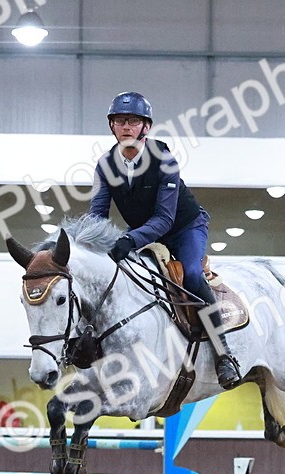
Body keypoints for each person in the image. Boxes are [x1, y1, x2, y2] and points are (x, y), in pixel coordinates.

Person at [88, 91, 241, 390]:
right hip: (145, 233)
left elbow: (164, 219)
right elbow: (97, 215)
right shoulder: (105, 166)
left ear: (145, 127)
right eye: (119, 121)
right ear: (112, 127)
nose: (126, 127)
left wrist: (129, 240)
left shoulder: (164, 160)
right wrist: (94, 244)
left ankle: (225, 356)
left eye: (133, 121)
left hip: (184, 228)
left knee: (194, 276)